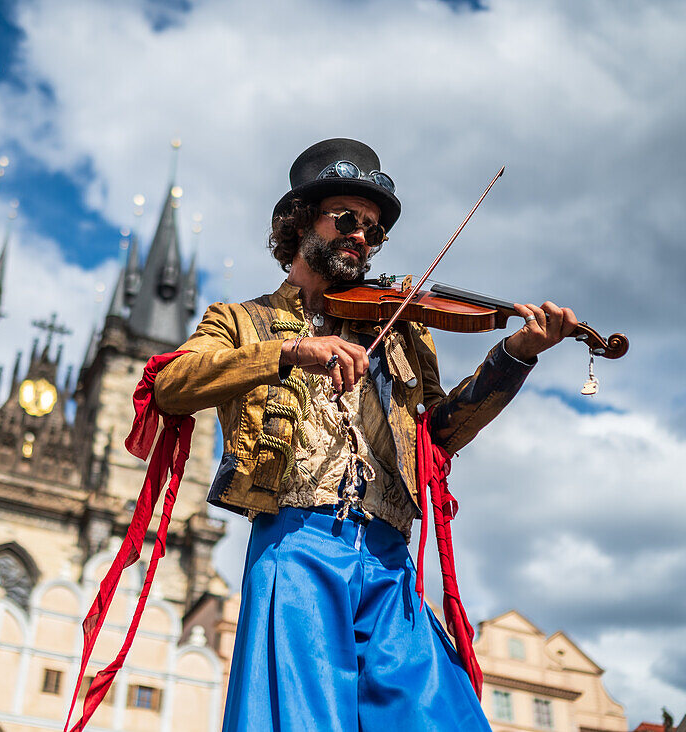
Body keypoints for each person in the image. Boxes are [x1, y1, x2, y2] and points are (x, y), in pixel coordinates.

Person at [152, 138, 578, 732]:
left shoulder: (400, 326)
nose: (362, 236)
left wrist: (516, 354)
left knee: (444, 719)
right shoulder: (240, 320)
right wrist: (290, 351)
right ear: (300, 223)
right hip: (296, 546)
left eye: (374, 231)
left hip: (388, 553)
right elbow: (171, 383)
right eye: (348, 218)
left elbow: (440, 435)